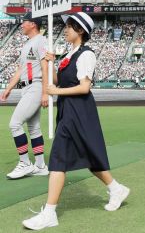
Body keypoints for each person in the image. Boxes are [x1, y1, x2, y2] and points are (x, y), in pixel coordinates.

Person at [22, 12, 129, 230]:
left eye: (70, 26)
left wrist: (57, 91)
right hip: (69, 109)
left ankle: (50, 212)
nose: (66, 30)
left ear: (80, 31)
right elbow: (57, 80)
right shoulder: (69, 55)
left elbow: (84, 87)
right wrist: (51, 64)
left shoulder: (86, 55)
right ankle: (116, 188)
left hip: (79, 110)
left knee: (58, 158)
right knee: (88, 155)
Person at [1, 12, 49, 179]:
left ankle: (25, 163)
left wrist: (44, 92)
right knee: (34, 128)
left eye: (24, 22)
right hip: (27, 88)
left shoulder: (41, 40)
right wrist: (8, 88)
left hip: (36, 86)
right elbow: (21, 69)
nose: (21, 25)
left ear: (33, 24)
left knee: (15, 124)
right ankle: (41, 166)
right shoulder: (28, 43)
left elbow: (45, 67)